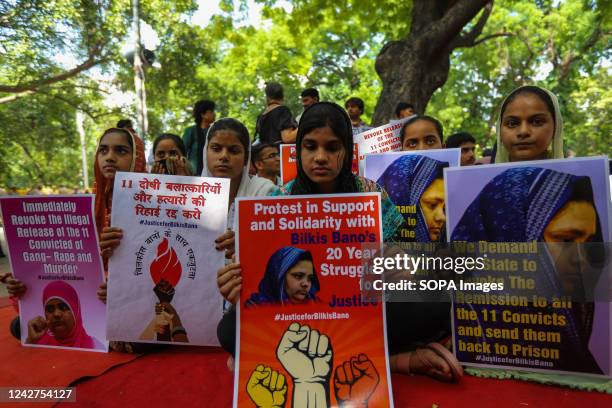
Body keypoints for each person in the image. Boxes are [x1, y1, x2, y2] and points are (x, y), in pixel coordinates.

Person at [217, 103, 461, 381]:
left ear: (346, 151)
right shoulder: (278, 201)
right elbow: (269, 280)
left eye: (332, 147)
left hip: (360, 310)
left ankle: (279, 356)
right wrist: (239, 283)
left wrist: (398, 268)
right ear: (298, 150)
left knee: (435, 302)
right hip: (298, 311)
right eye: (310, 146)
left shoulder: (371, 193)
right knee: (228, 330)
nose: (320, 157)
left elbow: (395, 261)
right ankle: (394, 360)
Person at [451, 167, 605, 374]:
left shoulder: (568, 322)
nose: (582, 259)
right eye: (566, 240)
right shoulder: (467, 327)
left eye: (588, 243)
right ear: (515, 236)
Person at [7, 127, 146, 350]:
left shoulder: (154, 208)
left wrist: (120, 281)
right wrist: (24, 287)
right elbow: (64, 271)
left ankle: (120, 335)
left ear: (137, 159)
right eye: (103, 150)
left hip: (133, 300)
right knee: (18, 326)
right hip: (96, 299)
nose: (109, 157)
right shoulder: (85, 210)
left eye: (121, 151)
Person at [377, 155, 449, 243]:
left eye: (445, 209)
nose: (442, 217)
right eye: (432, 205)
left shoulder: (449, 252)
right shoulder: (372, 252)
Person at [495, 85, 563, 163]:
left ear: (556, 127)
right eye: (512, 123)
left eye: (537, 122)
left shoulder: (576, 174)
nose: (523, 131)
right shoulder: (483, 175)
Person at [25, 281, 103, 349]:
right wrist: (31, 342)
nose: (56, 314)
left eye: (64, 307)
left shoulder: (96, 346)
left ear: (76, 312)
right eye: (50, 309)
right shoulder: (37, 342)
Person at [245, 247, 320, 306]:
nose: (306, 284)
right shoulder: (254, 308)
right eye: (298, 276)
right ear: (279, 277)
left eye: (310, 278)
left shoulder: (317, 307)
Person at [183, 100, 216, 175]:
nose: (214, 114)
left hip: (210, 174)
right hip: (192, 174)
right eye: (211, 112)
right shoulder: (191, 131)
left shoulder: (215, 132)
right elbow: (182, 151)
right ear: (202, 115)